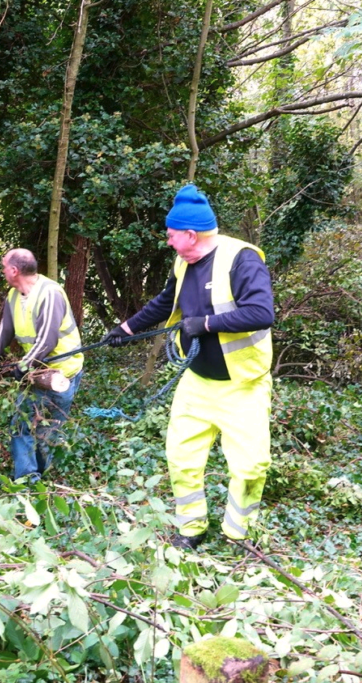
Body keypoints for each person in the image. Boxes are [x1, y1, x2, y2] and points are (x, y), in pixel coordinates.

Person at [103, 185, 275, 548]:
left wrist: (207, 324)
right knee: (181, 458)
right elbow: (167, 300)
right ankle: (191, 530)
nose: (167, 242)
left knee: (249, 467)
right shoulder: (185, 261)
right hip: (198, 381)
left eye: (170, 235)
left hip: (243, 384)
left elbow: (262, 313)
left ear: (190, 235)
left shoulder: (242, 260)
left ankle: (237, 535)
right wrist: (126, 328)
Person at [0, 249, 83, 483]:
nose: (2, 270)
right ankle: (28, 477)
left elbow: (47, 340)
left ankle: (41, 474)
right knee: (21, 422)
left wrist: (23, 366)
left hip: (61, 373)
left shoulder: (50, 293)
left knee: (48, 428)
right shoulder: (13, 295)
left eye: (4, 266)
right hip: (35, 372)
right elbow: (5, 330)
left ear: (14, 270)